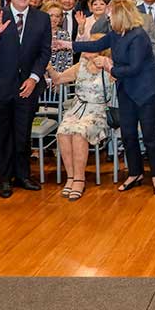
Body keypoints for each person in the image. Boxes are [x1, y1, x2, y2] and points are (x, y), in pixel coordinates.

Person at [60, 0, 155, 196]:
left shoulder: (138, 36)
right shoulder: (115, 34)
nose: (107, 16)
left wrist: (109, 66)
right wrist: (66, 44)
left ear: (120, 15)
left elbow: (134, 68)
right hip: (126, 90)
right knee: (128, 134)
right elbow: (95, 45)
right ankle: (135, 173)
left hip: (147, 91)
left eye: (110, 13)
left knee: (150, 136)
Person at [0, 0, 51, 198]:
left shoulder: (42, 19)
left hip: (27, 87)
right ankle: (5, 179)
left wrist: (34, 78)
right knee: (2, 135)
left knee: (22, 134)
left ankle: (23, 176)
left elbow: (44, 52)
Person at [46, 34, 113, 202]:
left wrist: (108, 66)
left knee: (78, 132)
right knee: (63, 131)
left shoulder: (110, 65)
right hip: (76, 109)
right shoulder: (80, 66)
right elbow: (59, 79)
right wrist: (49, 68)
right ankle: (70, 177)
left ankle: (79, 179)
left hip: (97, 111)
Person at [43, 2, 73, 73]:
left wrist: (66, 76)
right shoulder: (36, 32)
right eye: (51, 15)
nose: (54, 19)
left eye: (57, 16)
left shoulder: (64, 34)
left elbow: (69, 57)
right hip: (39, 76)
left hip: (60, 76)